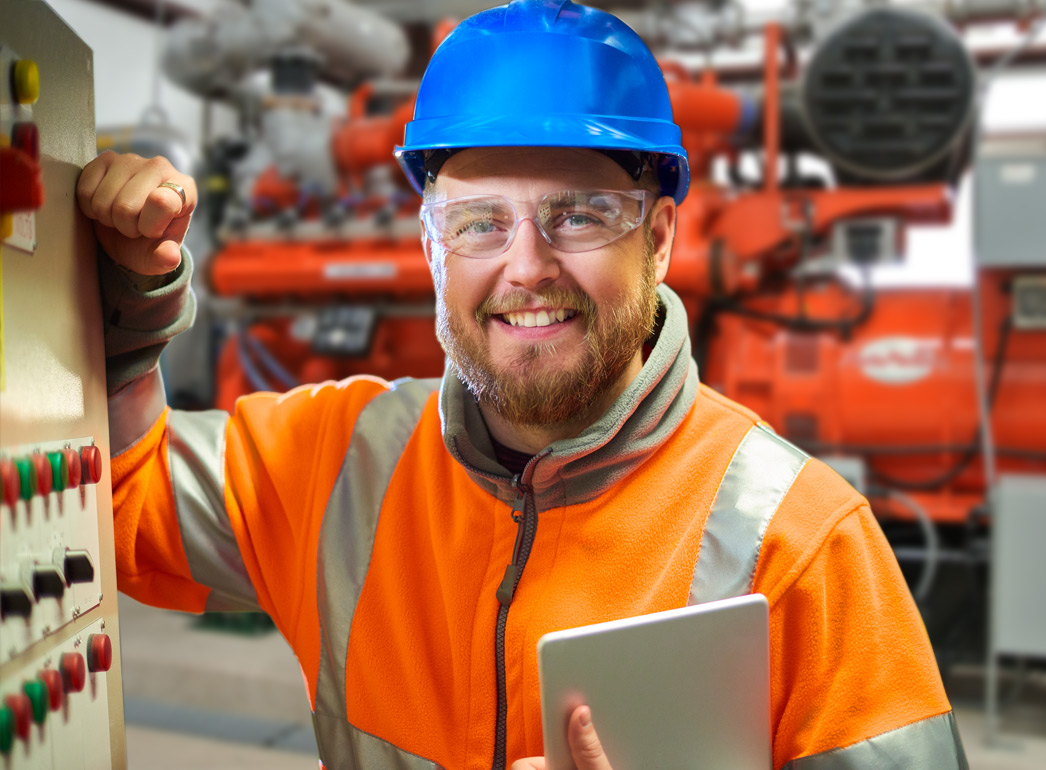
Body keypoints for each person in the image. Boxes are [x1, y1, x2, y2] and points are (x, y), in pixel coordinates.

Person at [79, 1, 968, 768]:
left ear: (658, 240)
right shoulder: (334, 464)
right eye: (477, 222)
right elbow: (111, 493)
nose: (525, 267)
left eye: (578, 216)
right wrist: (116, 305)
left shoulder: (806, 544)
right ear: (431, 246)